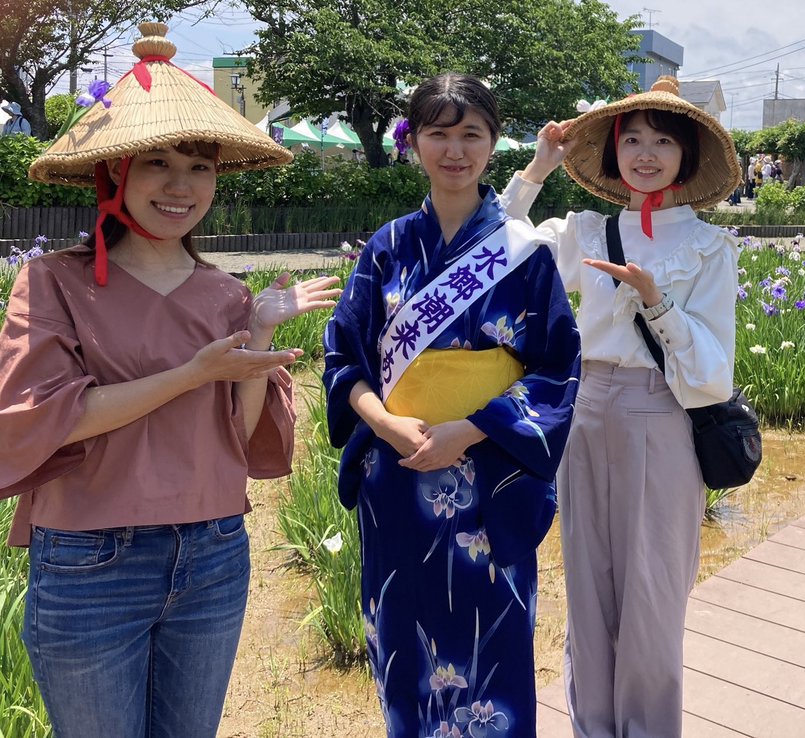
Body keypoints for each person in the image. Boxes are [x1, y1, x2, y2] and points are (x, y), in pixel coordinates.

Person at [1, 23, 340, 737]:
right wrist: (191, 373)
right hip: (93, 559)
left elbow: (236, 439)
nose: (182, 186)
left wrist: (262, 334)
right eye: (157, 163)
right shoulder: (51, 281)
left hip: (214, 547)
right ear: (113, 174)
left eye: (200, 166)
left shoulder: (225, 294)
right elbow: (44, 416)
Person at [322, 72, 580, 738]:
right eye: (439, 133)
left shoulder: (526, 256)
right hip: (398, 482)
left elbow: (556, 368)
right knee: (405, 652)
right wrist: (380, 420)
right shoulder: (385, 250)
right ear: (415, 143)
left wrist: (467, 432)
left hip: (488, 481)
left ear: (494, 143)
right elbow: (345, 358)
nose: (455, 150)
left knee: (491, 650)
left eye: (472, 134)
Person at [500, 76, 739, 738]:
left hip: (664, 420)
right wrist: (537, 168)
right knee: (589, 594)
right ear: (611, 151)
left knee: (653, 602)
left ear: (686, 156)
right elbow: (496, 248)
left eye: (663, 140)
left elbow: (714, 376)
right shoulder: (587, 231)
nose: (644, 152)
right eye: (631, 138)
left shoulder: (711, 248)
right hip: (588, 413)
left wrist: (657, 305)